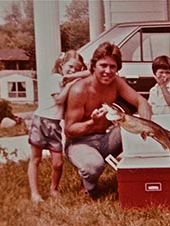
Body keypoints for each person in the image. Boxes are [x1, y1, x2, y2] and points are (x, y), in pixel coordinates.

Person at [64, 41, 152, 199]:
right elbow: (69, 130)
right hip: (79, 143)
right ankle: (88, 185)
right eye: (103, 65)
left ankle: (141, 177)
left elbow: (141, 101)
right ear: (93, 66)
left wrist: (145, 125)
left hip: (104, 138)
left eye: (113, 67)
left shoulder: (115, 82)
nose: (108, 71)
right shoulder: (79, 90)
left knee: (134, 124)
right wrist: (92, 122)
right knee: (93, 166)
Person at [28, 50, 89, 203]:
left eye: (77, 69)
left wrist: (74, 78)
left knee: (58, 163)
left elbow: (91, 72)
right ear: (61, 65)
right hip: (41, 121)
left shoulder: (68, 81)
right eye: (70, 67)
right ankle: (35, 193)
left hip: (54, 125)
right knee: (36, 159)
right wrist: (71, 83)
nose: (73, 71)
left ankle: (53, 188)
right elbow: (59, 100)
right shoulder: (55, 79)